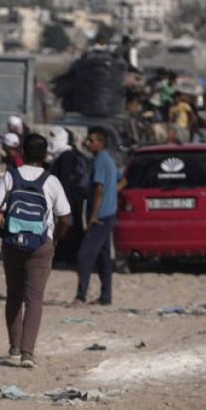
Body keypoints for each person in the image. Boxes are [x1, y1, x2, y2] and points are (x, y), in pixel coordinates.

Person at [0, 133, 71, 369]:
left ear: (22, 152)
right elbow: (65, 218)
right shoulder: (51, 182)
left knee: (13, 295)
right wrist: (54, 241)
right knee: (34, 300)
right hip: (40, 246)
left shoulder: (9, 177)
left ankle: (14, 346)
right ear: (45, 155)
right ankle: (27, 353)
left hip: (12, 244)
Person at [75, 126, 120, 306]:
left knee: (84, 255)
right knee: (103, 258)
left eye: (91, 140)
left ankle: (81, 295)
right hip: (109, 213)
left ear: (100, 143)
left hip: (100, 216)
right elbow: (121, 179)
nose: (88, 143)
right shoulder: (109, 159)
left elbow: (99, 189)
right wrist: (113, 195)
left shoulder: (101, 160)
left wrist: (93, 216)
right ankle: (106, 296)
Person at [48, 127, 90, 266]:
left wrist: (60, 202)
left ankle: (67, 258)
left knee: (68, 230)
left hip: (68, 200)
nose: (51, 141)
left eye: (54, 137)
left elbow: (65, 181)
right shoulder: (63, 155)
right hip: (68, 200)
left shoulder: (66, 157)